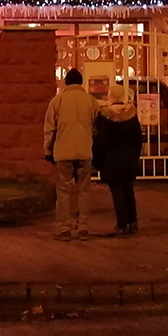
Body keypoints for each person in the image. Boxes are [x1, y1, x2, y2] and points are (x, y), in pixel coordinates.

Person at [43, 68, 98, 240]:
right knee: (84, 190)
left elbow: (49, 129)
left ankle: (63, 228)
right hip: (85, 150)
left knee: (63, 190)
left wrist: (47, 150)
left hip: (63, 152)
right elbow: (96, 127)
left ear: (66, 82)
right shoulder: (91, 101)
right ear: (81, 82)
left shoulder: (57, 101)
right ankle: (83, 227)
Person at [92, 83, 144, 237]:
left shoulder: (105, 116)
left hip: (112, 158)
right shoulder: (132, 114)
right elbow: (138, 139)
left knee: (117, 192)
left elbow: (100, 140)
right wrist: (135, 156)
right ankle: (133, 222)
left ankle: (122, 224)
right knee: (128, 190)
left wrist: (99, 160)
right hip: (129, 158)